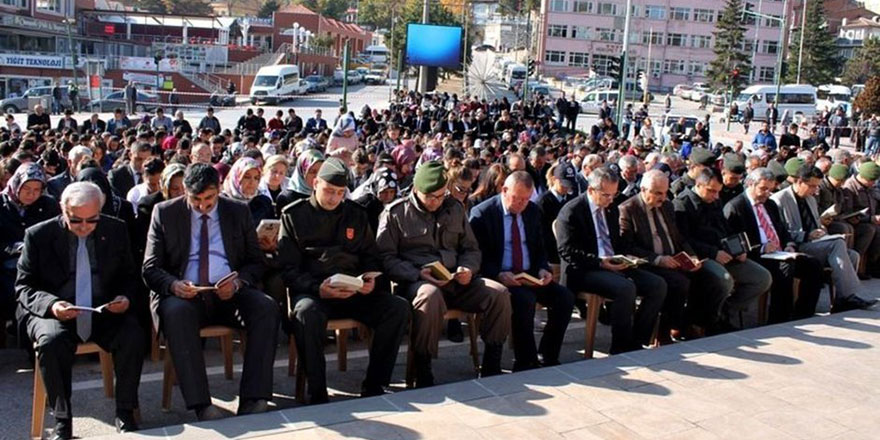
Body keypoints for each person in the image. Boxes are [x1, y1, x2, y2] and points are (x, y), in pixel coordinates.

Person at [142, 163, 280, 421]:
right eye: (196, 199)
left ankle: (255, 397)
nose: (203, 206)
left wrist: (238, 282)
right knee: (177, 313)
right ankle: (201, 405)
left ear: (218, 190)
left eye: (209, 199)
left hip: (229, 291)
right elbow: (150, 268)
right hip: (186, 294)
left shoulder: (237, 211)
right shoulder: (165, 213)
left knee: (266, 307)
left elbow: (256, 261)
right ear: (185, 191)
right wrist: (174, 285)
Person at [17, 182, 144, 438]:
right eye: (76, 221)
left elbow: (130, 276)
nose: (84, 227)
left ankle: (125, 411)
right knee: (51, 342)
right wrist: (52, 305)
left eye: (91, 220)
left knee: (132, 334)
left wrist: (126, 298)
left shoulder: (115, 229)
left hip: (101, 308)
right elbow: (24, 286)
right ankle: (62, 420)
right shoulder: (38, 235)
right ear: (63, 210)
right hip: (55, 309)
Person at [278, 158, 410, 403]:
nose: (333, 198)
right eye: (329, 191)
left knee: (397, 308)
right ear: (315, 183)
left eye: (340, 193)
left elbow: (370, 256)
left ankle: (375, 385)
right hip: (315, 293)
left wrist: (369, 279)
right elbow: (288, 270)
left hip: (353, 291)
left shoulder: (355, 214)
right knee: (306, 313)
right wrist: (317, 288)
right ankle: (316, 393)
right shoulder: (294, 216)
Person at [376, 162, 511, 386]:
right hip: (418, 282)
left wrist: (468, 268)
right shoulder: (396, 213)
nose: (435, 202)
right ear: (416, 189)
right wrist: (416, 273)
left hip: (457, 281)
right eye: (429, 196)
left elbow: (471, 248)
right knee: (429, 297)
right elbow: (385, 258)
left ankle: (492, 363)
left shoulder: (455, 208)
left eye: (440, 196)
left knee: (499, 293)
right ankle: (423, 368)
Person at [469, 172, 574, 370]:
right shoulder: (483, 214)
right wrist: (498, 274)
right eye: (517, 198)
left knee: (565, 297)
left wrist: (543, 268)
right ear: (504, 190)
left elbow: (538, 248)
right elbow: (476, 255)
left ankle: (548, 354)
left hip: (529, 274)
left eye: (526, 199)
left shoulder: (532, 211)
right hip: (501, 276)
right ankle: (525, 360)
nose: (521, 204)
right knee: (524, 299)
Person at [557, 168, 667, 353]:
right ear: (591, 190)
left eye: (614, 194)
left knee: (657, 285)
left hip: (613, 262)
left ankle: (637, 340)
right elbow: (567, 251)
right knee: (625, 288)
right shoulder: (572, 211)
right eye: (606, 195)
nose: (610, 199)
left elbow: (616, 241)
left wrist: (628, 257)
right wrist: (600, 262)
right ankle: (620, 346)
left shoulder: (611, 209)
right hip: (586, 268)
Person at [619, 170, 732, 341]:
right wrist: (658, 260)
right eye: (657, 193)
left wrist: (692, 256)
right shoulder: (628, 209)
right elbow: (627, 246)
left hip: (674, 258)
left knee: (710, 278)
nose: (662, 197)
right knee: (678, 283)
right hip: (649, 262)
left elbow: (678, 237)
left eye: (665, 193)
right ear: (643, 189)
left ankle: (688, 324)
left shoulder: (667, 205)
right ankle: (664, 332)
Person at [673, 168, 773, 330]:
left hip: (725, 253)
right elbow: (683, 240)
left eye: (718, 192)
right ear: (698, 185)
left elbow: (725, 229)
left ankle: (724, 313)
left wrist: (739, 249)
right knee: (724, 280)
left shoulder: (715, 201)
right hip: (700, 257)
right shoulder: (682, 205)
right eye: (711, 191)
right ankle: (708, 322)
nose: (715, 196)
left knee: (762, 278)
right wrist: (713, 253)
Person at [770, 164, 876, 312]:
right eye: (812, 186)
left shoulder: (810, 199)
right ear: (799, 182)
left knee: (853, 255)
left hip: (815, 243)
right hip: (797, 244)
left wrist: (821, 230)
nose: (815, 191)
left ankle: (841, 300)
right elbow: (780, 232)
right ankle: (850, 295)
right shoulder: (779, 200)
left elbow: (815, 223)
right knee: (838, 244)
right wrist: (806, 235)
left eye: (816, 187)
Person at [723, 167, 824, 323]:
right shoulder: (737, 206)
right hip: (756, 255)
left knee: (813, 265)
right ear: (750, 184)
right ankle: (780, 318)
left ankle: (803, 314)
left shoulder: (770, 204)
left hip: (779, 252)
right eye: (763, 189)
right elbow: (735, 240)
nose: (766, 193)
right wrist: (761, 247)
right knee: (785, 268)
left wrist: (790, 245)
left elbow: (782, 231)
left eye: (769, 190)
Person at [0, 164, 61, 339]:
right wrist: (15, 248)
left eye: (36, 189)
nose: (31, 194)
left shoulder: (48, 204)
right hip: (8, 265)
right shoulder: (2, 205)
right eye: (26, 188)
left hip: (41, 263)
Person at [840, 162, 880, 278]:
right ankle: (857, 264)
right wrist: (870, 219)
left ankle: (873, 264)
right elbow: (848, 213)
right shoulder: (850, 187)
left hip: (871, 220)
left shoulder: (870, 188)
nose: (873, 183)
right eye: (871, 180)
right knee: (870, 230)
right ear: (863, 177)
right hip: (857, 223)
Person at [536, 162, 577, 265]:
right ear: (554, 180)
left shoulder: (572, 200)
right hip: (551, 255)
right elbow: (541, 232)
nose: (566, 188)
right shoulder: (543, 202)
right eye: (563, 184)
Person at [221, 157, 274, 223]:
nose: (252, 182)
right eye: (247, 177)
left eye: (256, 178)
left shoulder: (263, 203)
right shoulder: (221, 203)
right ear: (236, 178)